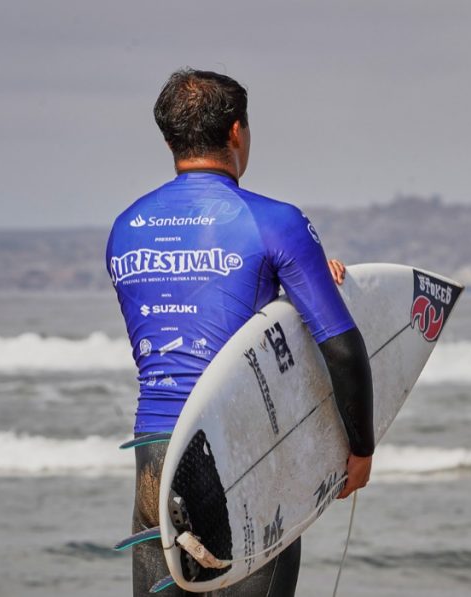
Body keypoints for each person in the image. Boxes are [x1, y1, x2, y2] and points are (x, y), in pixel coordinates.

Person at [106, 68, 374, 597]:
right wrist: (359, 448)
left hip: (154, 460)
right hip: (241, 455)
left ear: (169, 140)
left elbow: (195, 317)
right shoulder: (273, 221)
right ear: (236, 132)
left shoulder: (125, 226)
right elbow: (340, 346)